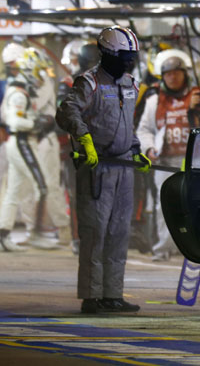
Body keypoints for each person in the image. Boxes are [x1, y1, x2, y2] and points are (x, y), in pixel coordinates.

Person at [56, 26, 152, 314]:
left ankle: (113, 293)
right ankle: (91, 296)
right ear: (107, 53)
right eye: (124, 56)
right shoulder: (89, 83)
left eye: (132, 56)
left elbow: (127, 124)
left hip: (123, 166)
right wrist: (84, 138)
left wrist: (136, 150)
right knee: (95, 231)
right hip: (97, 168)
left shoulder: (131, 84)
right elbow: (67, 111)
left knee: (120, 231)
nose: (129, 61)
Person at [0, 49, 69, 251]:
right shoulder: (20, 89)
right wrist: (33, 122)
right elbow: (13, 119)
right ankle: (36, 232)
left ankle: (5, 233)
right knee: (40, 187)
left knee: (19, 190)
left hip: (34, 140)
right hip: (24, 140)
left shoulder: (30, 85)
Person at [136, 51, 200, 262]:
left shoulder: (197, 96)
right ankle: (164, 246)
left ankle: (195, 250)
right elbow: (144, 129)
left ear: (184, 74)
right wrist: (149, 148)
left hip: (195, 162)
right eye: (168, 74)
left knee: (194, 205)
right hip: (165, 163)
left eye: (177, 73)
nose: (173, 77)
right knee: (164, 206)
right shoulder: (154, 101)